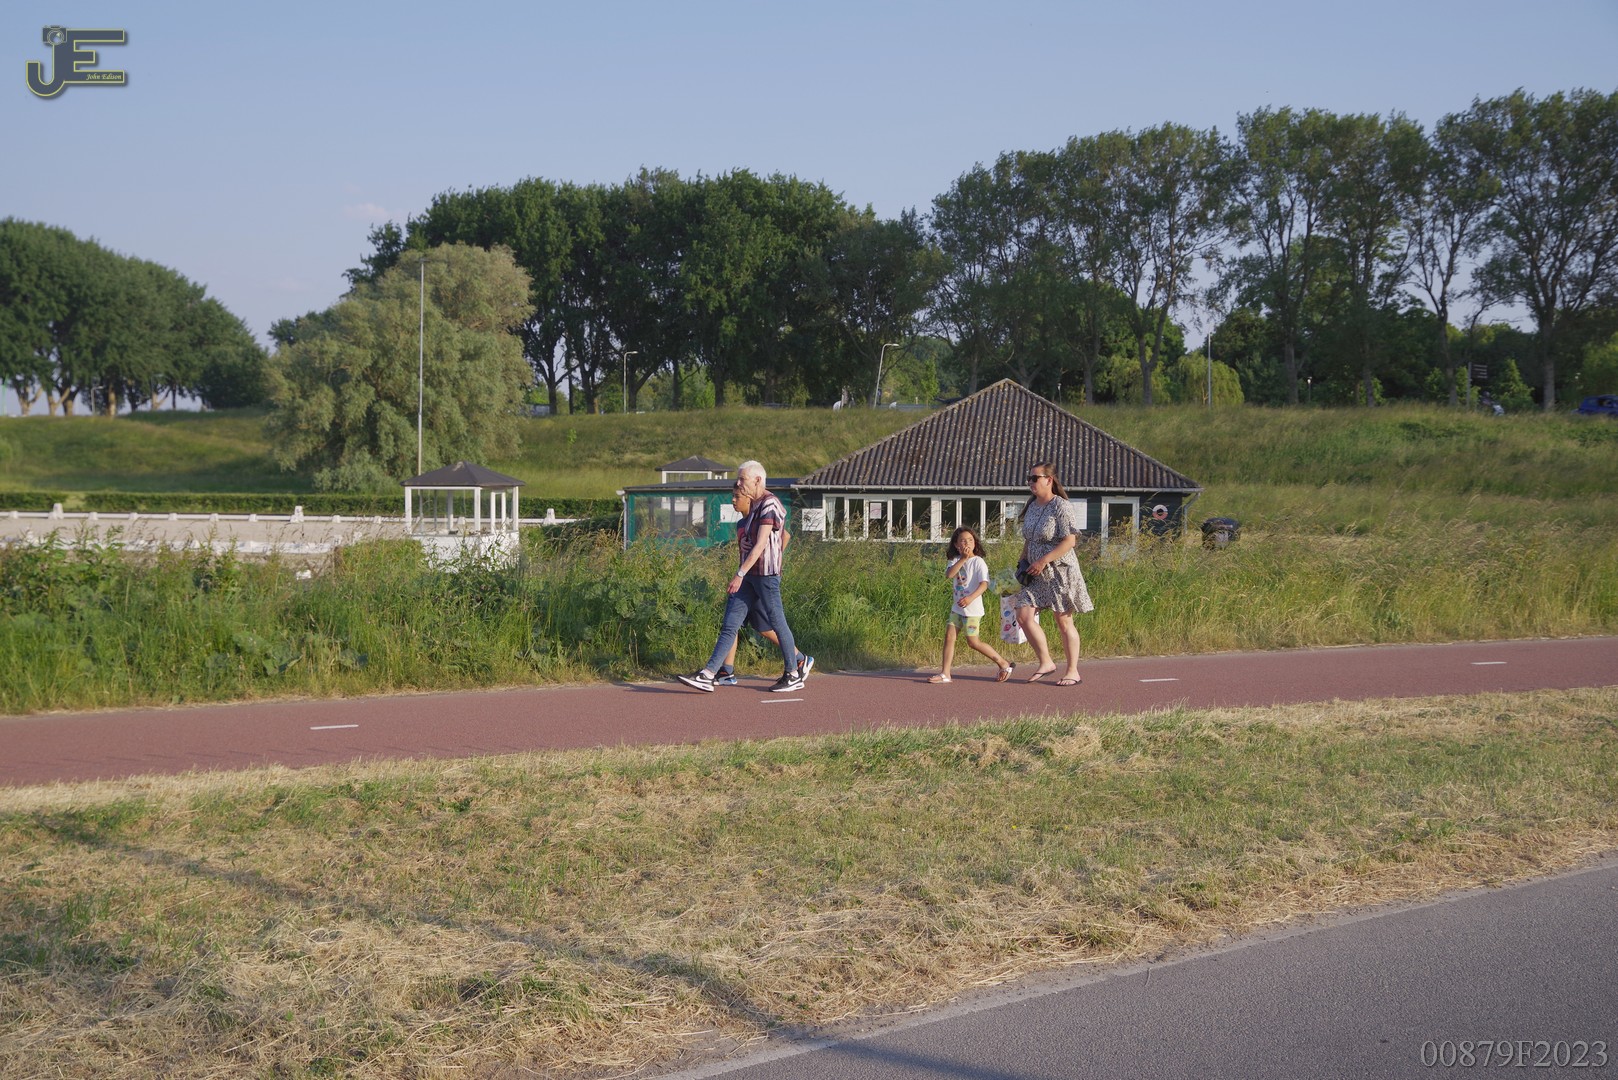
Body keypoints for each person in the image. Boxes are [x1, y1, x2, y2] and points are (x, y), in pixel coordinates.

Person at [677, 461, 808, 693]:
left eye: (742, 479)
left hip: (765, 575)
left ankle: (793, 672)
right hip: (750, 575)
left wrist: (742, 572)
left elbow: (761, 544)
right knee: (731, 623)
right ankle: (709, 674)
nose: (738, 484)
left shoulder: (770, 504)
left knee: (777, 622)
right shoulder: (754, 506)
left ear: (757, 480)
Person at [714, 487, 814, 686]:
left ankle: (799, 658)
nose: (733, 500)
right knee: (738, 624)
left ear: (749, 498)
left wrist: (772, 559)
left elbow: (785, 536)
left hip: (761, 578)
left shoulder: (760, 518)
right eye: (732, 496)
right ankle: (726, 670)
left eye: (737, 496)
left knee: (762, 626)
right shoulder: (741, 523)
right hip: (747, 579)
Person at [1012, 462, 1094, 686]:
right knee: (1023, 614)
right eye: (1029, 478)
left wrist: (1043, 560)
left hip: (1059, 571)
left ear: (1049, 480)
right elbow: (1029, 539)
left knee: (1063, 621)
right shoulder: (1032, 506)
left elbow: (1070, 541)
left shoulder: (1061, 506)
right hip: (1034, 572)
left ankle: (1073, 671)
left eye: (1035, 478)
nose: (1030, 482)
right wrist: (1022, 561)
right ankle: (1046, 662)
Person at [930, 525, 1013, 684]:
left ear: (975, 543)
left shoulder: (979, 562)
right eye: (963, 541)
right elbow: (949, 574)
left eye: (970, 540)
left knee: (973, 642)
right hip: (957, 609)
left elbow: (984, 584)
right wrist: (963, 559)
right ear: (956, 545)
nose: (967, 543)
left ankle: (1003, 663)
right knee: (949, 637)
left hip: (972, 611)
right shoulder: (955, 560)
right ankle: (945, 673)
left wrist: (970, 598)